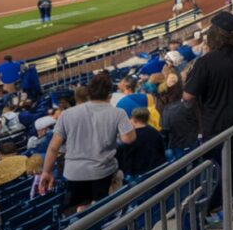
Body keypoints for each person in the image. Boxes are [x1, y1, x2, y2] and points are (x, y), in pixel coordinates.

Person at [183, 12, 233, 215]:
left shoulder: (205, 62)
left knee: (217, 165)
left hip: (216, 121)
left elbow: (188, 97)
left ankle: (215, 204)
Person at [38, 73, 136, 215]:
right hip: (102, 171)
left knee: (82, 208)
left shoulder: (67, 114)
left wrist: (46, 171)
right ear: (109, 94)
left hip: (74, 173)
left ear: (90, 92)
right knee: (102, 208)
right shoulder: (118, 113)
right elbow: (128, 139)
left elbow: (53, 148)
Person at [116, 107, 166, 178]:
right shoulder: (155, 132)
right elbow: (161, 149)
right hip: (156, 169)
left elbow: (126, 158)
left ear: (134, 119)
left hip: (139, 173)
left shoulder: (131, 137)